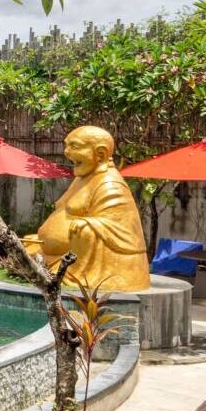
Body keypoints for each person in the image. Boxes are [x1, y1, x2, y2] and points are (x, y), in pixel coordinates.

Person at [22, 125, 150, 293]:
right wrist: (45, 238)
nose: (66, 152)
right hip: (59, 254)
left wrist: (88, 225)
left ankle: (71, 275)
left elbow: (122, 230)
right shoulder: (82, 178)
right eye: (66, 145)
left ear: (101, 154)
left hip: (90, 263)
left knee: (85, 230)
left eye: (74, 146)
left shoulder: (110, 184)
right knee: (25, 247)